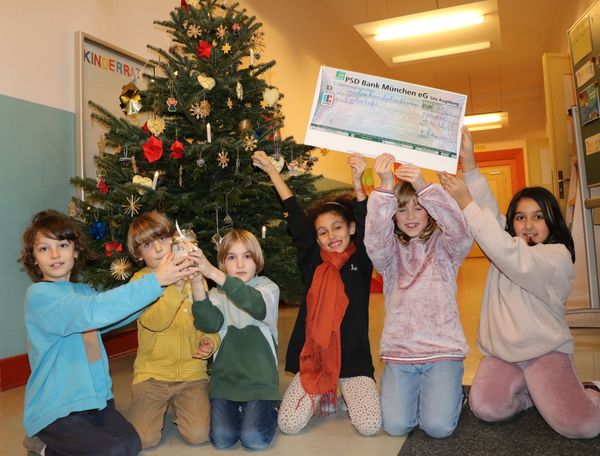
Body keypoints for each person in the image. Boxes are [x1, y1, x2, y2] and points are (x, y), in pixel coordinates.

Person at [438, 127, 600, 439]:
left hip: (545, 352)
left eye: (539, 217)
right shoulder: (509, 243)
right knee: (486, 407)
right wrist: (470, 166)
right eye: (520, 218)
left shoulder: (556, 256)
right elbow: (489, 216)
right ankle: (532, 394)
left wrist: (464, 201)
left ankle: (589, 391)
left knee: (584, 426)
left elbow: (509, 253)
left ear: (553, 222)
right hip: (503, 353)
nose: (528, 225)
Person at [18, 209, 196, 456]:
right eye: (44, 248)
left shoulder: (83, 291)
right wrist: (155, 280)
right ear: (34, 259)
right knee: (110, 450)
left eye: (62, 244)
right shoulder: (39, 296)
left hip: (95, 402)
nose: (55, 254)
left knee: (131, 444)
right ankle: (42, 444)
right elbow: (93, 311)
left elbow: (114, 316)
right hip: (56, 408)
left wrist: (168, 286)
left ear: (76, 250)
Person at [252, 150, 382, 436]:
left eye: (337, 227)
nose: (331, 236)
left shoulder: (360, 259)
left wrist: (358, 180)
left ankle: (345, 390)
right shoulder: (314, 259)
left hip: (354, 362)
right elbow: (294, 214)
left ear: (350, 229)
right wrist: (273, 172)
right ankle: (325, 389)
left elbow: (365, 218)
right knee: (287, 424)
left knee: (371, 427)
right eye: (322, 232)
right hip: (315, 361)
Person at [364, 155, 472, 438]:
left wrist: (425, 186)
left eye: (419, 207)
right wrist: (386, 187)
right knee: (396, 426)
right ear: (393, 215)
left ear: (430, 211)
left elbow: (460, 230)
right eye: (402, 209)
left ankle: (451, 392)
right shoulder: (388, 255)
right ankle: (432, 394)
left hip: (443, 351)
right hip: (400, 353)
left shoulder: (446, 248)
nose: (410, 216)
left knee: (437, 427)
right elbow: (375, 240)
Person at [125, 212, 220, 449]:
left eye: (164, 239)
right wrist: (177, 286)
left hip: (191, 374)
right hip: (153, 374)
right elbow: (154, 321)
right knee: (144, 439)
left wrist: (209, 341)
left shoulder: (195, 276)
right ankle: (155, 406)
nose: (158, 249)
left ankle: (183, 406)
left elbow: (207, 321)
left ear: (176, 240)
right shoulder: (140, 282)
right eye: (148, 244)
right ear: (139, 254)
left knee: (199, 434)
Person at [190, 229, 280, 450]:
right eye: (232, 257)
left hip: (260, 383)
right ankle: (243, 410)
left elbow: (254, 305)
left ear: (257, 261)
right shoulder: (218, 294)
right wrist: (196, 284)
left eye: (247, 256)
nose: (240, 263)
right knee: (222, 439)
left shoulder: (267, 288)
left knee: (254, 439)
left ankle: (268, 410)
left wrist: (212, 272)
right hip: (226, 382)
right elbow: (208, 324)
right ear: (223, 263)